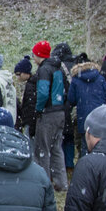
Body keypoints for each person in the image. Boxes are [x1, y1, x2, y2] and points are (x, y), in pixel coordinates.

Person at [30, 42, 68, 191]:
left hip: (48, 112)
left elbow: (43, 92)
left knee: (42, 149)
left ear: (38, 55)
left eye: (34, 55)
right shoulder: (58, 67)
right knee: (56, 148)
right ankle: (61, 182)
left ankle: (43, 183)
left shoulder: (44, 69)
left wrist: (38, 109)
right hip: (60, 111)